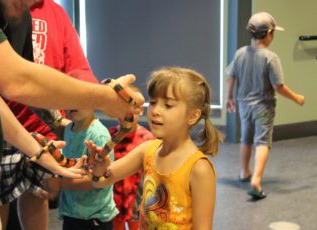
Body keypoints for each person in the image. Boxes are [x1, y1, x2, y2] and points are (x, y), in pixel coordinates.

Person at [0, 0, 143, 229]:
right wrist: (105, 99)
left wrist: (38, 149)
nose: (31, 3)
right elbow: (14, 80)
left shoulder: (17, 16)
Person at [64, 67, 222, 229]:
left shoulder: (199, 168)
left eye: (168, 105)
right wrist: (99, 169)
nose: (155, 111)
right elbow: (101, 181)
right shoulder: (147, 150)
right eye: (153, 102)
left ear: (193, 116)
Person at [0, 1, 101, 229]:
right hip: (0, 128)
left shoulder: (55, 13)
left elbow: (78, 67)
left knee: (38, 193)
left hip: (42, 128)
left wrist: (94, 101)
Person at [226, 12, 306, 200]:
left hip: (244, 107)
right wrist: (296, 98)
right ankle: (256, 179)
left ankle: (244, 172)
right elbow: (278, 86)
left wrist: (229, 97)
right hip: (263, 108)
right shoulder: (271, 57)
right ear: (269, 33)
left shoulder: (240, 53)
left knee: (246, 138)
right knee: (262, 141)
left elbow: (231, 76)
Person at [53, 108, 118, 230]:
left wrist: (60, 184)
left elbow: (98, 180)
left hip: (95, 218)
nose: (73, 104)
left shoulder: (99, 135)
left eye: (80, 98)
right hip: (71, 213)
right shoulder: (68, 129)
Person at [108, 86, 155, 230]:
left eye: (130, 110)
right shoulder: (110, 136)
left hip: (137, 198)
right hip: (114, 198)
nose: (125, 115)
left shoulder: (148, 139)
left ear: (139, 110)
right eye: (121, 110)